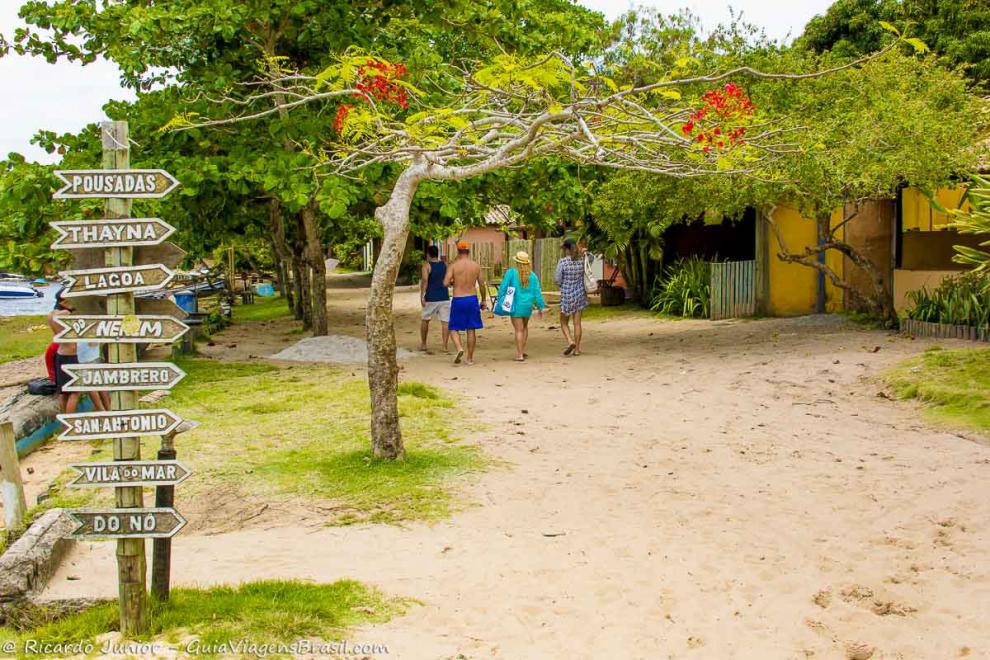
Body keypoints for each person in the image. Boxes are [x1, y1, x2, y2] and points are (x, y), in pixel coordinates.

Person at [443, 240, 488, 365]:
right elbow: (482, 285)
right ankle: (470, 359)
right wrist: (483, 300)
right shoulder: (476, 265)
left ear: (458, 251)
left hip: (458, 298)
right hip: (472, 298)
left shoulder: (453, 266)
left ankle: (459, 348)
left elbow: (445, 283)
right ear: (468, 251)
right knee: (471, 329)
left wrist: (453, 282)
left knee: (453, 327)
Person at [496, 251, 547, 361]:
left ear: (517, 262)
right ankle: (522, 350)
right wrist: (540, 306)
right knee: (524, 328)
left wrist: (500, 299)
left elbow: (503, 287)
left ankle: (519, 355)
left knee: (518, 330)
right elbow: (537, 292)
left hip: (515, 305)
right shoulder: (533, 276)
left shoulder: (511, 273)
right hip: (527, 306)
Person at [46, 289, 81, 413]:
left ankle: (65, 425)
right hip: (71, 355)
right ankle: (70, 423)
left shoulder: (51, 314)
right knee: (74, 393)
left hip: (60, 354)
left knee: (64, 392)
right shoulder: (65, 314)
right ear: (64, 301)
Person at [555, 238, 589, 356]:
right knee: (577, 323)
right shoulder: (581, 260)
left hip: (566, 296)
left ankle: (570, 341)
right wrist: (584, 251)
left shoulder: (563, 262)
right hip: (580, 295)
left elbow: (558, 280)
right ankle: (577, 349)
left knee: (563, 321)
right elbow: (592, 258)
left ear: (566, 249)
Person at [419, 245, 450, 353]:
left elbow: (424, 281)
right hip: (444, 296)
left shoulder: (426, 266)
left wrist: (422, 295)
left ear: (428, 254)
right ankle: (445, 346)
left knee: (425, 319)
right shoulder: (445, 265)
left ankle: (423, 344)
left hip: (431, 297)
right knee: (445, 321)